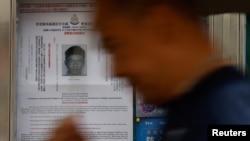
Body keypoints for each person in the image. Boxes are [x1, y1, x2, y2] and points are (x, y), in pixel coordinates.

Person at [49, 0, 250, 141]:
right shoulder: (190, 109)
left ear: (159, 25)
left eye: (116, 46)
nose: (115, 70)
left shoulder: (226, 111)